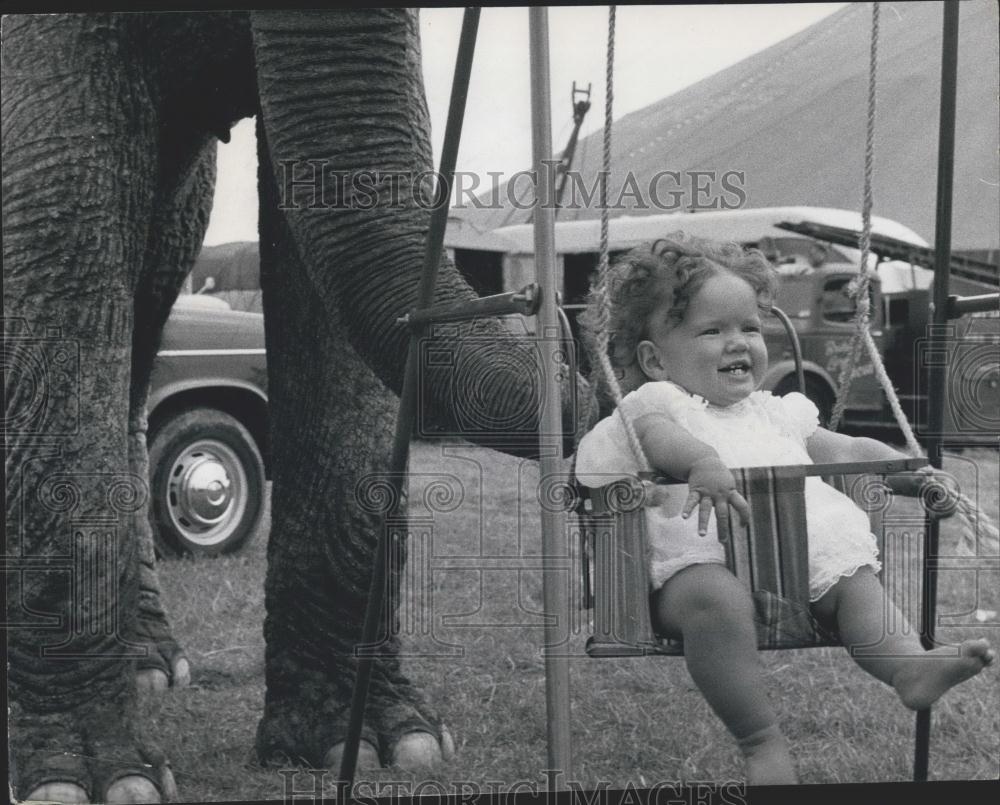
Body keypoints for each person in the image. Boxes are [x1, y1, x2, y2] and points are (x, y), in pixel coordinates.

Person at [575, 234, 994, 785]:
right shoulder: (657, 405)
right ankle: (761, 742)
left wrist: (907, 471)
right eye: (712, 330)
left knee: (855, 581)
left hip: (792, 568)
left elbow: (843, 449)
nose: (738, 343)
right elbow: (657, 442)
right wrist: (701, 462)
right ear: (655, 359)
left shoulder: (776, 413)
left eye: (749, 327)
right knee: (716, 599)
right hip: (688, 573)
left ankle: (909, 667)